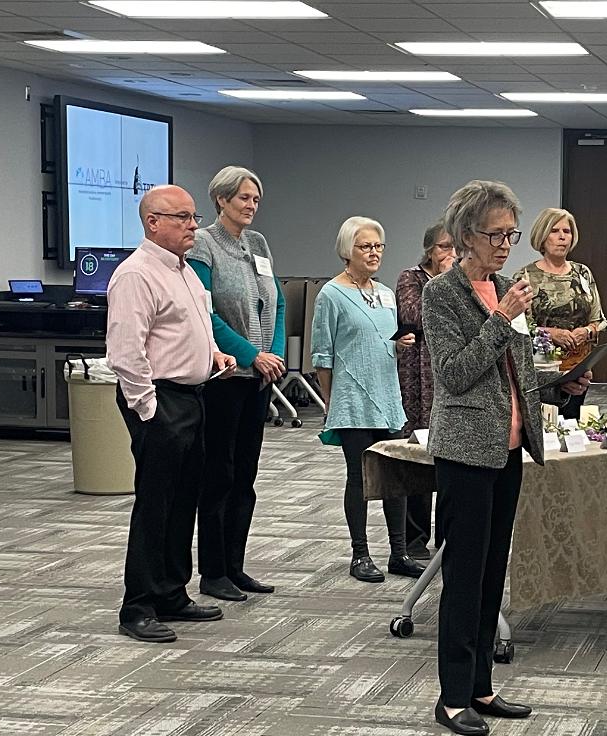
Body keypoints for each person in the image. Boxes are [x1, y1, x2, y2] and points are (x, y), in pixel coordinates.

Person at [423, 180, 591, 736]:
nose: (505, 245)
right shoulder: (442, 294)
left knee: (494, 568)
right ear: (466, 234)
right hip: (467, 451)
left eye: (511, 235)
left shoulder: (503, 287)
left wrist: (562, 383)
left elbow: (514, 369)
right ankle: (452, 698)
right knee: (464, 575)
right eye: (496, 235)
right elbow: (454, 373)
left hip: (510, 447)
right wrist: (501, 319)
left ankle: (480, 686)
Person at [107, 184, 237, 643]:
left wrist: (213, 355)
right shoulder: (136, 274)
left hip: (194, 396)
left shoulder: (185, 272)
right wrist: (149, 408)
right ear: (152, 222)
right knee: (156, 504)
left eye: (193, 217)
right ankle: (138, 606)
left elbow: (193, 329)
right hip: (160, 401)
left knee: (184, 501)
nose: (192, 226)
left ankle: (171, 593)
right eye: (182, 218)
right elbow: (126, 351)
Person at [186, 165, 285, 603]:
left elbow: (277, 304)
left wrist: (273, 355)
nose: (251, 205)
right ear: (221, 200)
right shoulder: (203, 244)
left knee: (246, 476)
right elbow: (204, 315)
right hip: (225, 378)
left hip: (259, 378)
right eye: (244, 197)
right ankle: (212, 571)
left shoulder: (258, 243)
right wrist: (250, 354)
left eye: (256, 199)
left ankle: (235, 565)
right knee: (219, 475)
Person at [312, 216, 427, 584]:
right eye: (366, 246)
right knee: (359, 478)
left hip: (388, 397)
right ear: (348, 250)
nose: (374, 252)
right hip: (352, 400)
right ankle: (360, 554)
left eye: (379, 246)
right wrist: (329, 402)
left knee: (397, 477)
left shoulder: (386, 294)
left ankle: (400, 553)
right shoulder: (331, 295)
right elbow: (322, 356)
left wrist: (399, 344)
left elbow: (382, 342)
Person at [394, 222, 455, 559]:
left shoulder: (461, 281)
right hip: (417, 381)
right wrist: (445, 281)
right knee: (418, 458)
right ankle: (414, 540)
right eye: (444, 246)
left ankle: (447, 538)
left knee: (449, 461)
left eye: (455, 247)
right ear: (430, 249)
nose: (450, 253)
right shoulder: (411, 278)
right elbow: (416, 316)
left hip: (449, 378)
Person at [512, 207, 607, 421]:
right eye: (554, 231)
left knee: (571, 424)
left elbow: (599, 320)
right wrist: (550, 333)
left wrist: (586, 331)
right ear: (542, 236)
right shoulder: (525, 276)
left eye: (567, 231)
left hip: (577, 368)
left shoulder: (583, 273)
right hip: (542, 370)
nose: (562, 237)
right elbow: (519, 327)